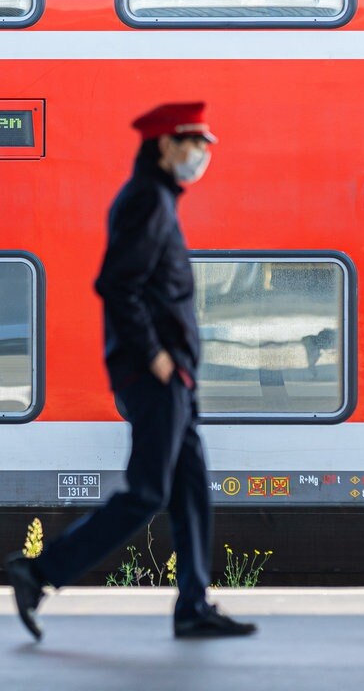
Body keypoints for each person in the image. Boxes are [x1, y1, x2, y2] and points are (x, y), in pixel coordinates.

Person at [4, 102, 256, 641]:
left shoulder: (158, 198)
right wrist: (156, 357)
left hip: (174, 379)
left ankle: (192, 605)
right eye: (195, 143)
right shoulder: (146, 200)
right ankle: (39, 572)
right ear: (166, 144)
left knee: (190, 493)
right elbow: (117, 285)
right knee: (146, 491)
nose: (203, 154)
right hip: (156, 377)